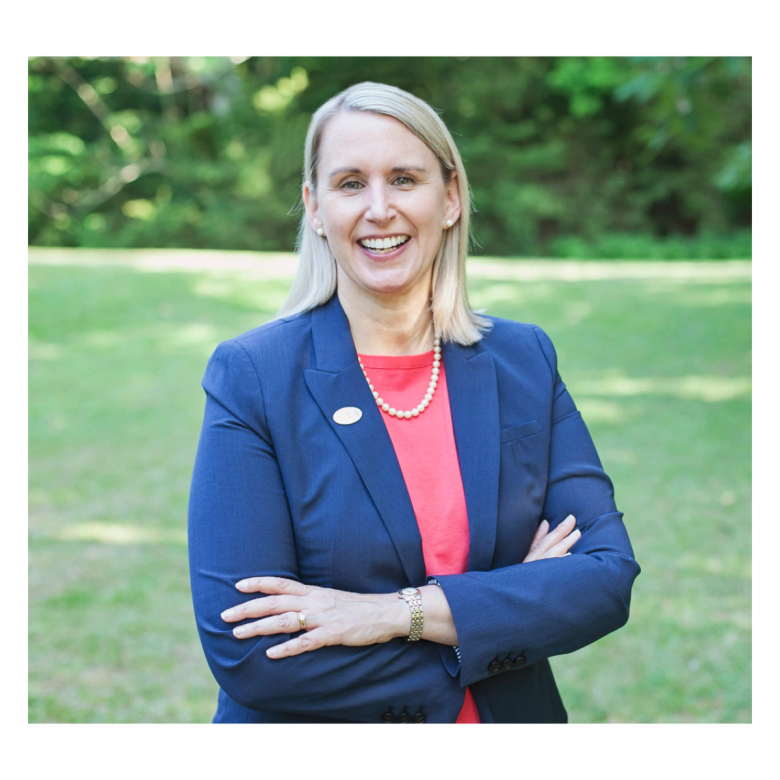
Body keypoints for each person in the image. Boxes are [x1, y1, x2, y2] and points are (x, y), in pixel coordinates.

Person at [187, 81, 640, 724]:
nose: (379, 208)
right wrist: (502, 611)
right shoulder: (254, 376)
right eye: (349, 184)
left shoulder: (523, 359)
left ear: (450, 197)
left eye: (404, 178)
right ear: (315, 208)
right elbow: (252, 654)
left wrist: (391, 614)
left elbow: (603, 579)